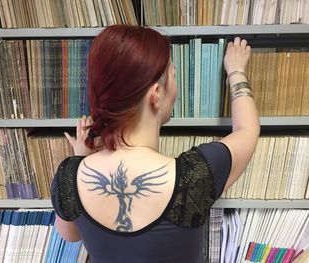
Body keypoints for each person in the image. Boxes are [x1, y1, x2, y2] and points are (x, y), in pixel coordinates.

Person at [51, 25, 260, 263]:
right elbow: (247, 129)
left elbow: (70, 234)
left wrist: (81, 160)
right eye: (173, 74)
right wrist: (236, 71)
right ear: (156, 93)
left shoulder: (68, 177)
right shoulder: (195, 176)